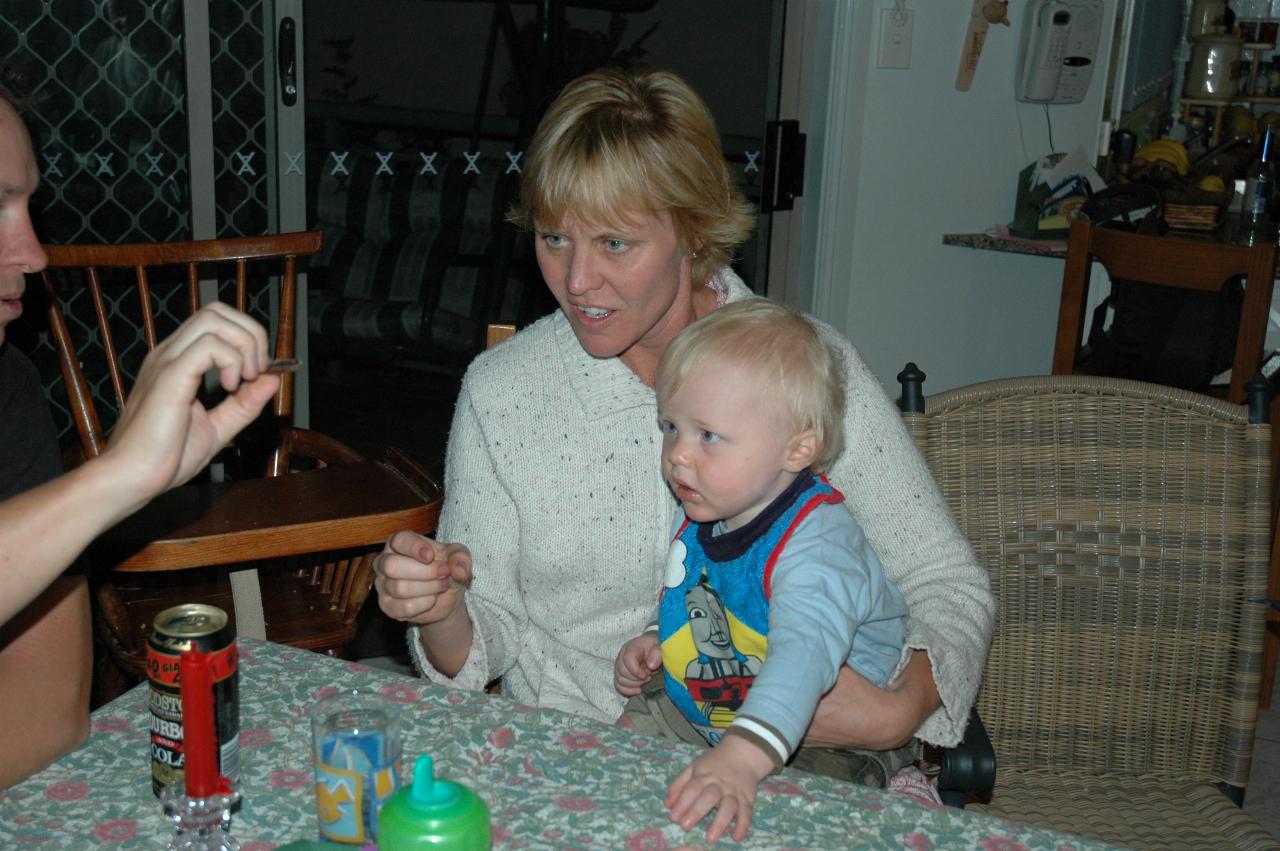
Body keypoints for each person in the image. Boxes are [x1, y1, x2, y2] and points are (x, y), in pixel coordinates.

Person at [373, 63, 992, 799]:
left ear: (692, 232)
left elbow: (949, 585)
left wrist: (894, 712)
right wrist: (442, 609)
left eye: (614, 244)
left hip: (801, 773)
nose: (576, 281)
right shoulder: (504, 394)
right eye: (553, 238)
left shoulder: (804, 374)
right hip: (576, 762)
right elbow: (483, 639)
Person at [0, 84, 282, 788]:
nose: (34, 254)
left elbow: (48, 717)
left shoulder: (9, 392)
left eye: (28, 206)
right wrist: (114, 476)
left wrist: (122, 478)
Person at [613, 299, 910, 841]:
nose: (678, 454)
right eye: (671, 427)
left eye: (708, 435)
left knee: (796, 822)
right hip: (724, 695)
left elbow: (802, 659)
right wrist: (660, 637)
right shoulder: (715, 502)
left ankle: (906, 791)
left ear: (797, 448)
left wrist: (743, 758)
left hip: (826, 729)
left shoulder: (816, 549)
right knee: (619, 762)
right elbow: (715, 599)